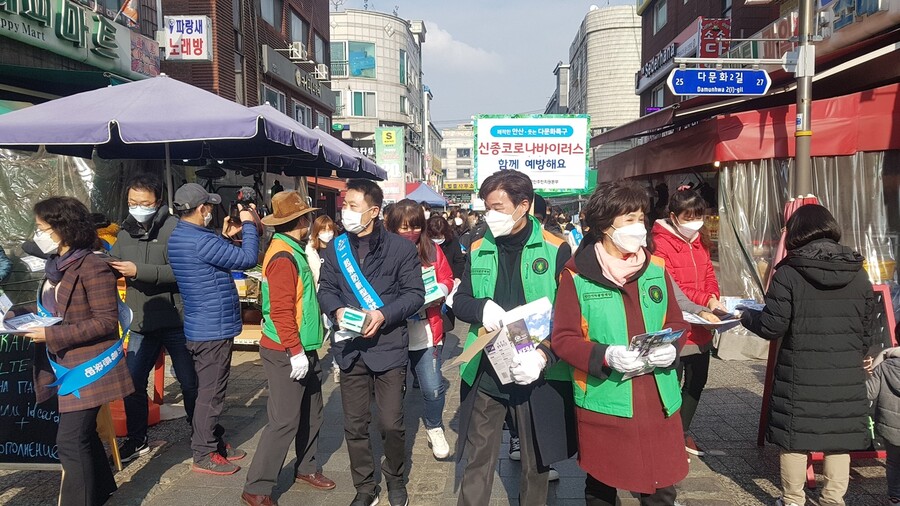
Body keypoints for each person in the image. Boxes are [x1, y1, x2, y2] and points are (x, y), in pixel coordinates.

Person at [550, 180, 690, 506]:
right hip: (606, 399)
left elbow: (676, 321)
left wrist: (673, 345)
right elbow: (564, 338)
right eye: (629, 219)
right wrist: (606, 355)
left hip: (658, 397)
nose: (638, 227)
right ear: (604, 226)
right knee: (602, 484)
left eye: (641, 218)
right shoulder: (576, 276)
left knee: (660, 489)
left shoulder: (655, 267)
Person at [453, 170, 575, 506]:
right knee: (478, 458)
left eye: (497, 207)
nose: (489, 215)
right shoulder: (478, 246)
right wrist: (481, 308)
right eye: (486, 207)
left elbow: (571, 315)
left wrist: (543, 357)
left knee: (535, 463)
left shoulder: (557, 250)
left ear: (523, 205)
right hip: (487, 370)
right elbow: (460, 300)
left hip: (534, 371)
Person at [741, 204, 874, 506]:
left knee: (794, 440)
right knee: (839, 439)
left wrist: (746, 317)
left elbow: (773, 326)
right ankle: (833, 500)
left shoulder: (788, 272)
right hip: (845, 373)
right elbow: (865, 330)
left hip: (800, 372)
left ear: (796, 233)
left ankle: (792, 500)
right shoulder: (859, 273)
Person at [317, 179, 425, 506]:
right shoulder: (336, 248)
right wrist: (335, 310)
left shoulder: (401, 249)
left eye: (352, 206)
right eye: (344, 206)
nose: (345, 212)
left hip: (389, 347)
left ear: (374, 211)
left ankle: (395, 478)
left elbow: (414, 295)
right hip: (350, 350)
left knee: (392, 424)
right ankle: (365, 486)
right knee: (354, 425)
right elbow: (326, 289)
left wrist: (383, 314)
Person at [26, 196, 134, 506]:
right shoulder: (57, 264)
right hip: (65, 361)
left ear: (64, 228)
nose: (38, 235)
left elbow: (104, 322)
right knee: (81, 436)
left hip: (89, 365)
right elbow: (57, 308)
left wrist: (50, 334)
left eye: (42, 228)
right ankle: (100, 490)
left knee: (71, 440)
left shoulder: (93, 265)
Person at [241, 192, 335, 506]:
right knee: (284, 420)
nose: (310, 222)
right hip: (285, 349)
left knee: (312, 412)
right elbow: (280, 311)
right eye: (307, 217)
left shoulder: (290, 249)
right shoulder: (283, 256)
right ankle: (257, 488)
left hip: (303, 346)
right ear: (301, 221)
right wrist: (294, 350)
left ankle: (306, 467)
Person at [167, 183, 260, 476]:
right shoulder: (200, 240)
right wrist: (249, 226)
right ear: (202, 209)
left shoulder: (181, 236)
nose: (211, 211)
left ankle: (213, 439)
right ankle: (204, 452)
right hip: (213, 327)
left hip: (200, 323)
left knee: (206, 389)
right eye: (209, 206)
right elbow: (247, 259)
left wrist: (223, 238)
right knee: (212, 392)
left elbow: (207, 260)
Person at [109, 173, 199, 463]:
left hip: (176, 320)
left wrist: (139, 271)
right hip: (141, 321)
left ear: (157, 202)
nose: (137, 207)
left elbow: (183, 271)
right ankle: (137, 440)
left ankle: (201, 432)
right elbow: (115, 263)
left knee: (189, 381)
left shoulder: (175, 229)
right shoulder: (123, 232)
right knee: (132, 382)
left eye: (143, 202)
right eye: (132, 202)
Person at [650, 187, 723, 457]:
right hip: (676, 327)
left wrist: (713, 295)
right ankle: (665, 435)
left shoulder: (699, 240)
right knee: (670, 384)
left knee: (697, 381)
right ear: (673, 216)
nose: (696, 222)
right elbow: (674, 288)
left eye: (699, 216)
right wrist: (706, 301)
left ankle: (680, 432)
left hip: (702, 325)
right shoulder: (660, 244)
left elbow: (707, 272)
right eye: (689, 217)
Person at [385, 199, 454, 460]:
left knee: (433, 386)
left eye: (415, 226)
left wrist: (442, 290)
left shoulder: (432, 251)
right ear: (392, 228)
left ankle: (434, 427)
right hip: (394, 334)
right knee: (392, 391)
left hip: (427, 331)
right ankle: (394, 433)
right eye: (404, 227)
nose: (410, 232)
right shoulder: (383, 254)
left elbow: (447, 277)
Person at [307, 215, 340, 385]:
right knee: (319, 329)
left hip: (335, 296)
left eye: (330, 229)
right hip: (316, 296)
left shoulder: (339, 248)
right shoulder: (310, 251)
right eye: (323, 230)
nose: (327, 233)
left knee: (336, 330)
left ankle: (337, 365)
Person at [866, 346, 900, 505]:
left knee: (893, 463)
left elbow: (870, 393)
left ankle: (895, 497)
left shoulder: (884, 366)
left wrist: (882, 356)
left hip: (891, 425)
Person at [426, 215, 466, 280]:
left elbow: (459, 261)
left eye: (439, 236)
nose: (437, 239)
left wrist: (457, 277)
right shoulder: (423, 244)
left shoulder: (452, 241)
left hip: (449, 279)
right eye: (434, 237)